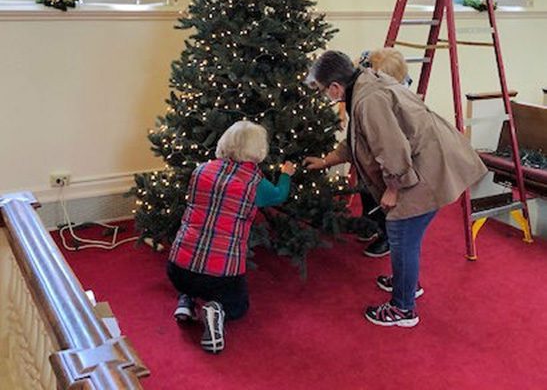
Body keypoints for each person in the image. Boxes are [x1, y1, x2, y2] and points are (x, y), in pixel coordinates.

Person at [304, 50, 487, 327]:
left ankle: (403, 309)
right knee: (406, 238)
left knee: (401, 234)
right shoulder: (363, 83)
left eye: (321, 91)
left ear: (334, 87)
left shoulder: (368, 100)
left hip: (425, 168)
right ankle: (406, 284)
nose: (323, 97)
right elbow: (360, 138)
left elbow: (391, 149)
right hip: (427, 160)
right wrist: (327, 160)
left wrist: (394, 188)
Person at [167, 120, 296, 352]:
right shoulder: (255, 184)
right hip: (219, 275)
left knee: (193, 267)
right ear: (258, 150)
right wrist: (286, 174)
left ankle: (186, 299)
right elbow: (279, 196)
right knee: (239, 305)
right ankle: (217, 310)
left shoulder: (201, 171)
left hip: (177, 267)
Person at [355, 48, 411, 258]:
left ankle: (387, 236)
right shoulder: (368, 82)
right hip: (370, 151)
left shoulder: (395, 98)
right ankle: (369, 223)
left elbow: (393, 148)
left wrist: (393, 186)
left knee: (382, 195)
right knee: (365, 187)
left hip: (389, 160)